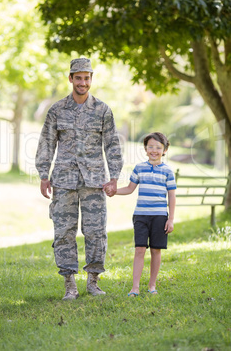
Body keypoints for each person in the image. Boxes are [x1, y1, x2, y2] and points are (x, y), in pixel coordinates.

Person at [35, 58, 123, 300]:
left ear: (91, 79)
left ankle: (93, 282)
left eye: (87, 77)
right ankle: (69, 284)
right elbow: (46, 144)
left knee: (96, 232)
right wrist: (44, 175)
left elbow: (112, 145)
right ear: (70, 78)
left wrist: (114, 176)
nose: (83, 82)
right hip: (64, 181)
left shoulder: (103, 110)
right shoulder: (57, 110)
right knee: (63, 232)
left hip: (95, 181)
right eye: (78, 77)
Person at [105, 132, 176, 296]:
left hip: (159, 216)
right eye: (150, 146)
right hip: (141, 216)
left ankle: (152, 286)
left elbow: (172, 196)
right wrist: (114, 191)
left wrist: (170, 219)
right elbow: (130, 189)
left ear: (164, 150)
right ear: (145, 149)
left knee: (156, 250)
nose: (154, 150)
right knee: (139, 249)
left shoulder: (167, 171)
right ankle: (134, 287)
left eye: (158, 147)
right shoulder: (139, 168)